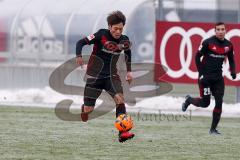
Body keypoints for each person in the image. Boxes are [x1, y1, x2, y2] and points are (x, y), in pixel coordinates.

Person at [76, 11, 134, 142]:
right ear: (109, 27)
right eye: (115, 29)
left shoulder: (124, 40)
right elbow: (80, 42)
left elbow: (128, 52)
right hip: (94, 76)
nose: (118, 31)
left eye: (120, 28)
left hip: (111, 76)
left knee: (120, 99)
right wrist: (79, 56)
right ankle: (84, 109)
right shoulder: (101, 34)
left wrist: (129, 72)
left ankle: (123, 132)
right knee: (88, 110)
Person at [182, 22, 236, 135]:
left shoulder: (229, 45)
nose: (220, 32)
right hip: (205, 78)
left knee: (219, 101)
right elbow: (197, 56)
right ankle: (189, 100)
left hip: (218, 79)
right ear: (215, 31)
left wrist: (233, 71)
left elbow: (231, 59)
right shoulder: (207, 43)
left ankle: (213, 129)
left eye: (222, 29)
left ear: (226, 30)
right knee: (205, 103)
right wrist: (201, 72)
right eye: (218, 30)